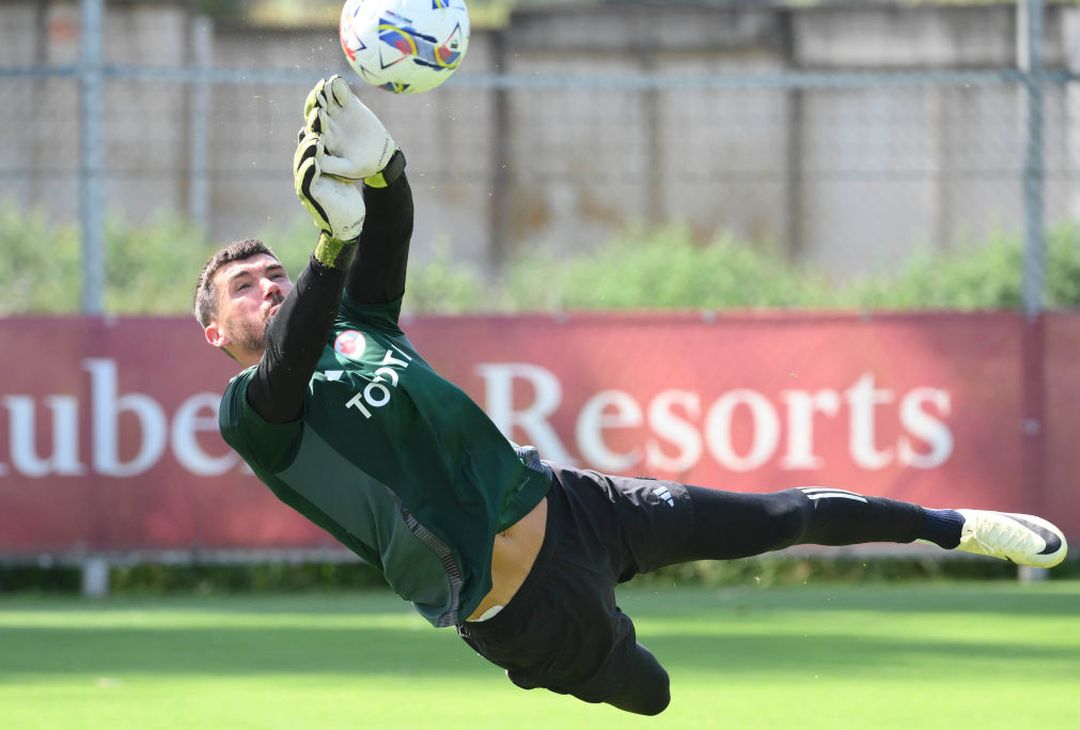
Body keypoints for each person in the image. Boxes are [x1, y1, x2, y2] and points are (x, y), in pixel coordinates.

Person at [194, 76, 1068, 716]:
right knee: (650, 694)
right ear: (217, 333)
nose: (267, 288)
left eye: (275, 273)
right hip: (520, 606)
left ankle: (958, 527)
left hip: (574, 505)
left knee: (782, 515)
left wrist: (387, 168)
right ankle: (617, 645)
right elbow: (291, 357)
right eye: (245, 288)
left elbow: (386, 234)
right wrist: (327, 248)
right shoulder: (251, 412)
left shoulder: (359, 323)